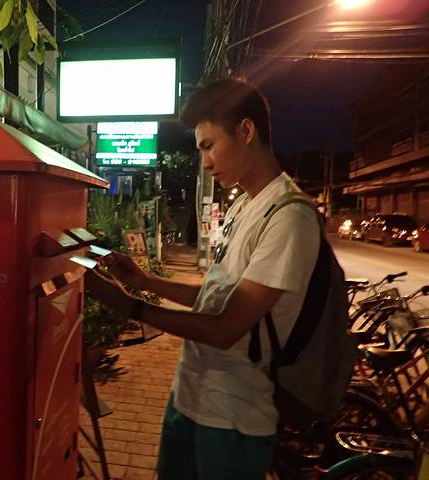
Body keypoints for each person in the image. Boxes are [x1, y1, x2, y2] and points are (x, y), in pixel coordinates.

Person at [85, 78, 321, 480]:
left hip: (234, 420)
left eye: (209, 146)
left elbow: (224, 328)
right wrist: (145, 280)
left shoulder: (288, 216)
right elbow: (215, 298)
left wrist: (128, 306)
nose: (206, 162)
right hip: (189, 399)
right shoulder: (243, 206)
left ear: (246, 131)